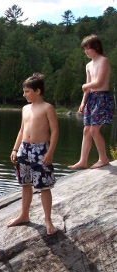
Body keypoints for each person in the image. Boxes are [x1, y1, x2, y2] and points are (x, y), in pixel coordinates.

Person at [8, 73, 59, 236]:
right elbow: (22, 130)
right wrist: (15, 149)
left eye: (27, 91)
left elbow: (55, 131)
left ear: (38, 91)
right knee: (25, 184)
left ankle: (48, 220)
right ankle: (24, 215)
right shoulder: (25, 108)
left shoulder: (47, 107)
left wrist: (50, 152)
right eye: (24, 91)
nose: (24, 95)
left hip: (40, 150)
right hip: (24, 148)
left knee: (44, 186)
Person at [68, 34, 114, 170]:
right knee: (86, 130)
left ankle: (103, 158)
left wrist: (84, 86)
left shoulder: (103, 61)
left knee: (94, 130)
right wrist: (83, 102)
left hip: (102, 97)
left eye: (88, 48)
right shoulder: (88, 65)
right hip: (91, 98)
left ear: (96, 47)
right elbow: (88, 86)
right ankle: (83, 161)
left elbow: (99, 82)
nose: (86, 51)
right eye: (85, 49)